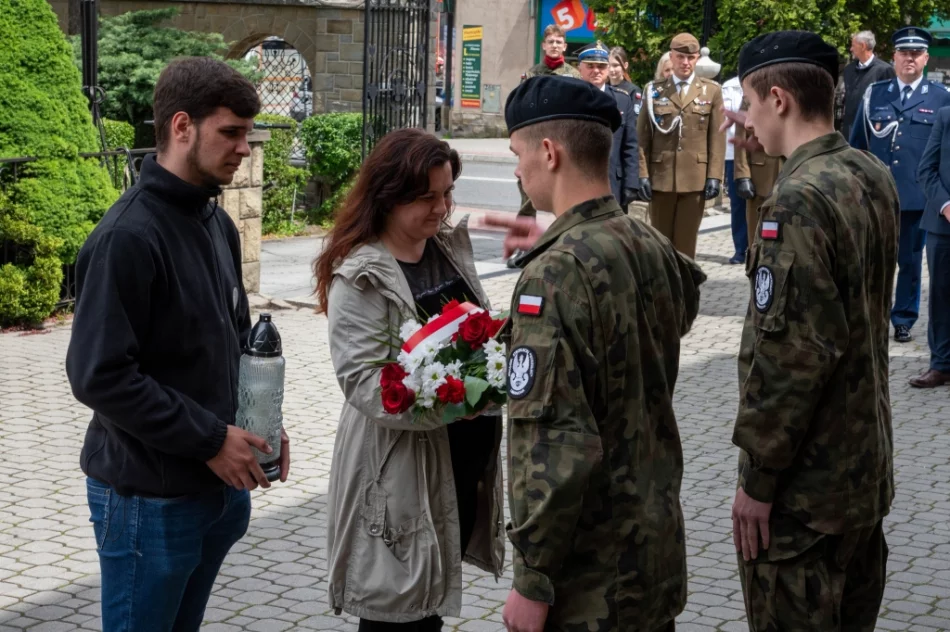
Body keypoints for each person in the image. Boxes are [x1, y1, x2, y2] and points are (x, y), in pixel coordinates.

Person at [65, 57, 292, 631]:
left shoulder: (217, 224)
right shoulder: (127, 237)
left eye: (247, 133)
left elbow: (231, 343)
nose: (245, 147)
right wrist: (211, 437)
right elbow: (100, 376)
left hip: (217, 488)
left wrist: (263, 423)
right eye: (231, 132)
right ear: (182, 126)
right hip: (148, 500)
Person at [494, 75, 706, 632]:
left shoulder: (555, 271)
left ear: (548, 152)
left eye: (517, 154)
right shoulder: (651, 243)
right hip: (652, 548)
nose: (517, 170)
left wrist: (532, 578)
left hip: (589, 577)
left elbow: (552, 439)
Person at [730, 31, 898, 631]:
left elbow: (793, 358)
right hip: (862, 476)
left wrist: (759, 480)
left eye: (750, 103)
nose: (747, 122)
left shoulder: (797, 200)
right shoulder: (869, 172)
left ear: (779, 99)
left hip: (806, 497)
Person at [316, 128, 506, 630]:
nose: (441, 208)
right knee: (396, 613)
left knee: (430, 609)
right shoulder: (360, 276)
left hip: (457, 460)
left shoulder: (443, 249)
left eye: (447, 193)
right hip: (399, 468)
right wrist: (459, 401)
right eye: (426, 197)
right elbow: (364, 383)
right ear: (388, 196)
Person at [850, 27, 950, 344]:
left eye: (916, 53)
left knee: (908, 262)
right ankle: (872, 315)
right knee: (873, 261)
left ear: (925, 58)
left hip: (917, 199)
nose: (909, 58)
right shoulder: (875, 94)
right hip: (876, 197)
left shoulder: (941, 98)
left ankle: (903, 319)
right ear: (893, 56)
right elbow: (856, 145)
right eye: (903, 52)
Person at [638, 32, 726, 259]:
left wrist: (714, 176)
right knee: (660, 245)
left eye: (691, 58)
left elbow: (717, 138)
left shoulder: (711, 91)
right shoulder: (654, 90)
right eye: (680, 57)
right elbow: (642, 138)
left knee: (687, 246)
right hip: (661, 178)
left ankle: (687, 293)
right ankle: (662, 293)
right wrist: (642, 174)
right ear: (672, 57)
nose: (686, 63)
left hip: (695, 179)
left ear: (697, 59)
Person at [577, 42, 640, 209]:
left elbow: (630, 145)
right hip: (577, 183)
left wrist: (631, 183)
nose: (596, 70)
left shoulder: (622, 100)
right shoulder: (571, 99)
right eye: (590, 66)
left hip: (613, 183)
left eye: (601, 66)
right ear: (580, 69)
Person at [914, 103, 950, 387]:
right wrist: (946, 206)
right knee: (940, 297)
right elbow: (926, 169)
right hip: (943, 226)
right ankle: (941, 365)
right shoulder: (945, 116)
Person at [733, 123, 783, 246]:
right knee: (756, 236)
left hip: (791, 172)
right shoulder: (750, 103)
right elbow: (741, 135)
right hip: (759, 179)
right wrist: (742, 175)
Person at [841, 30, 896, 139]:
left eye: (853, 45)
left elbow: (891, 101)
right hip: (849, 130)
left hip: (871, 130)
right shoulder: (849, 70)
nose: (851, 49)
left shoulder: (884, 70)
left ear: (863, 46)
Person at [722, 74, 748, 264]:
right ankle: (741, 249)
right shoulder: (730, 87)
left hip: (760, 153)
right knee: (738, 203)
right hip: (733, 152)